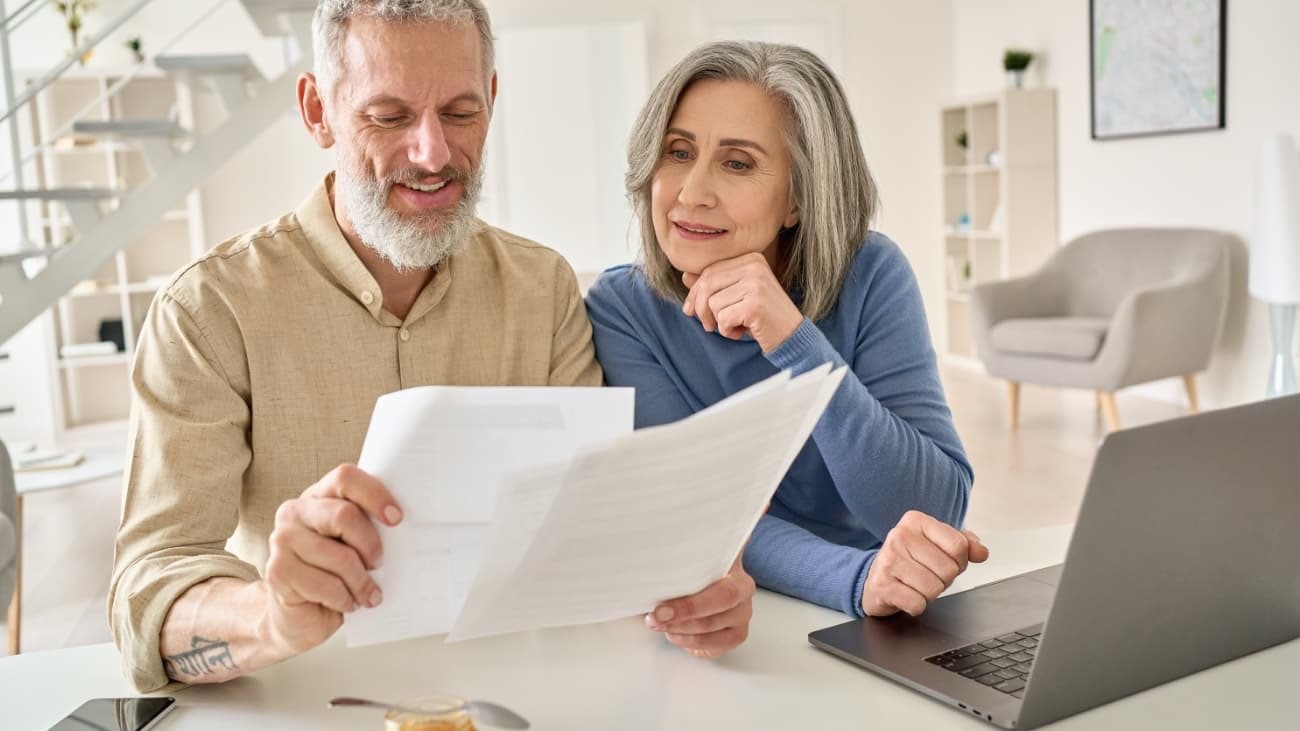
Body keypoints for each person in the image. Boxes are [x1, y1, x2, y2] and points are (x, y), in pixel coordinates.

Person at [110, 1, 752, 692]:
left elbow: (592, 527)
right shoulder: (209, 310)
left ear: (494, 99)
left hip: (520, 697)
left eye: (460, 112)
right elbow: (149, 591)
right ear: (317, 110)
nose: (434, 154)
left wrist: (693, 580)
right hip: (310, 702)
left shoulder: (543, 288)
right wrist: (269, 616)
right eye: (388, 116)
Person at [586, 41, 989, 626]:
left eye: (738, 162)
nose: (691, 192)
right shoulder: (623, 307)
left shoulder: (871, 274)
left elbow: (933, 507)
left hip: (878, 612)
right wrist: (854, 580)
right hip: (730, 610)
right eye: (677, 152)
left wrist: (796, 343)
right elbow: (696, 512)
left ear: (798, 198)